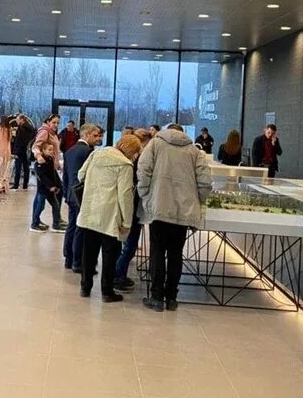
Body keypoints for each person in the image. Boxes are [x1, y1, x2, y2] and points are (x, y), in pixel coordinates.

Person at [137, 123, 211, 312]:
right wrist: (197, 201)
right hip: (183, 211)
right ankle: (171, 298)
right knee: (176, 254)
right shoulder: (195, 151)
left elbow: (143, 170)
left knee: (157, 252)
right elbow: (205, 183)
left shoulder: (155, 144)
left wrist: (146, 195)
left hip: (159, 206)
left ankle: (156, 297)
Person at [77, 134, 142, 302]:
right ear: (131, 151)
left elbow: (81, 175)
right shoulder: (125, 165)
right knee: (110, 255)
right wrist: (127, 221)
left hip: (90, 209)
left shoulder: (96, 154)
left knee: (88, 253)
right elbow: (125, 195)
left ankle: (85, 287)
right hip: (110, 215)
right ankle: (107, 291)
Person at [113, 128, 153, 291]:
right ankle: (118, 275)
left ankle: (117, 274)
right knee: (129, 245)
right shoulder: (135, 163)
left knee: (126, 244)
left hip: (128, 207)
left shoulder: (127, 160)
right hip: (133, 208)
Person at [62, 123, 102, 271]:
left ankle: (69, 258)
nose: (98, 138)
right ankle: (78, 261)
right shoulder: (89, 152)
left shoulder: (69, 151)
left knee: (72, 226)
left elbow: (65, 176)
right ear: (86, 135)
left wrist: (66, 193)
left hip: (71, 193)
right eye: (95, 135)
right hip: (83, 194)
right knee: (82, 228)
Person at [30, 113, 65, 233]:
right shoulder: (45, 131)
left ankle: (53, 219)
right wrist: (39, 156)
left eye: (57, 123)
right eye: (54, 122)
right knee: (43, 196)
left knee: (49, 194)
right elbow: (36, 146)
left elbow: (54, 150)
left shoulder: (52, 132)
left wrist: (56, 162)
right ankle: (47, 221)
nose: (56, 125)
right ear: (48, 122)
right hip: (44, 166)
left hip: (51, 165)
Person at [10, 114, 35, 190]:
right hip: (26, 150)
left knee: (18, 167)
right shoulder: (31, 129)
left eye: (17, 120)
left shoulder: (21, 129)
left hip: (19, 150)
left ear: (22, 119)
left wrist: (15, 150)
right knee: (26, 168)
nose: (17, 121)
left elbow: (18, 140)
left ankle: (16, 184)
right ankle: (25, 185)